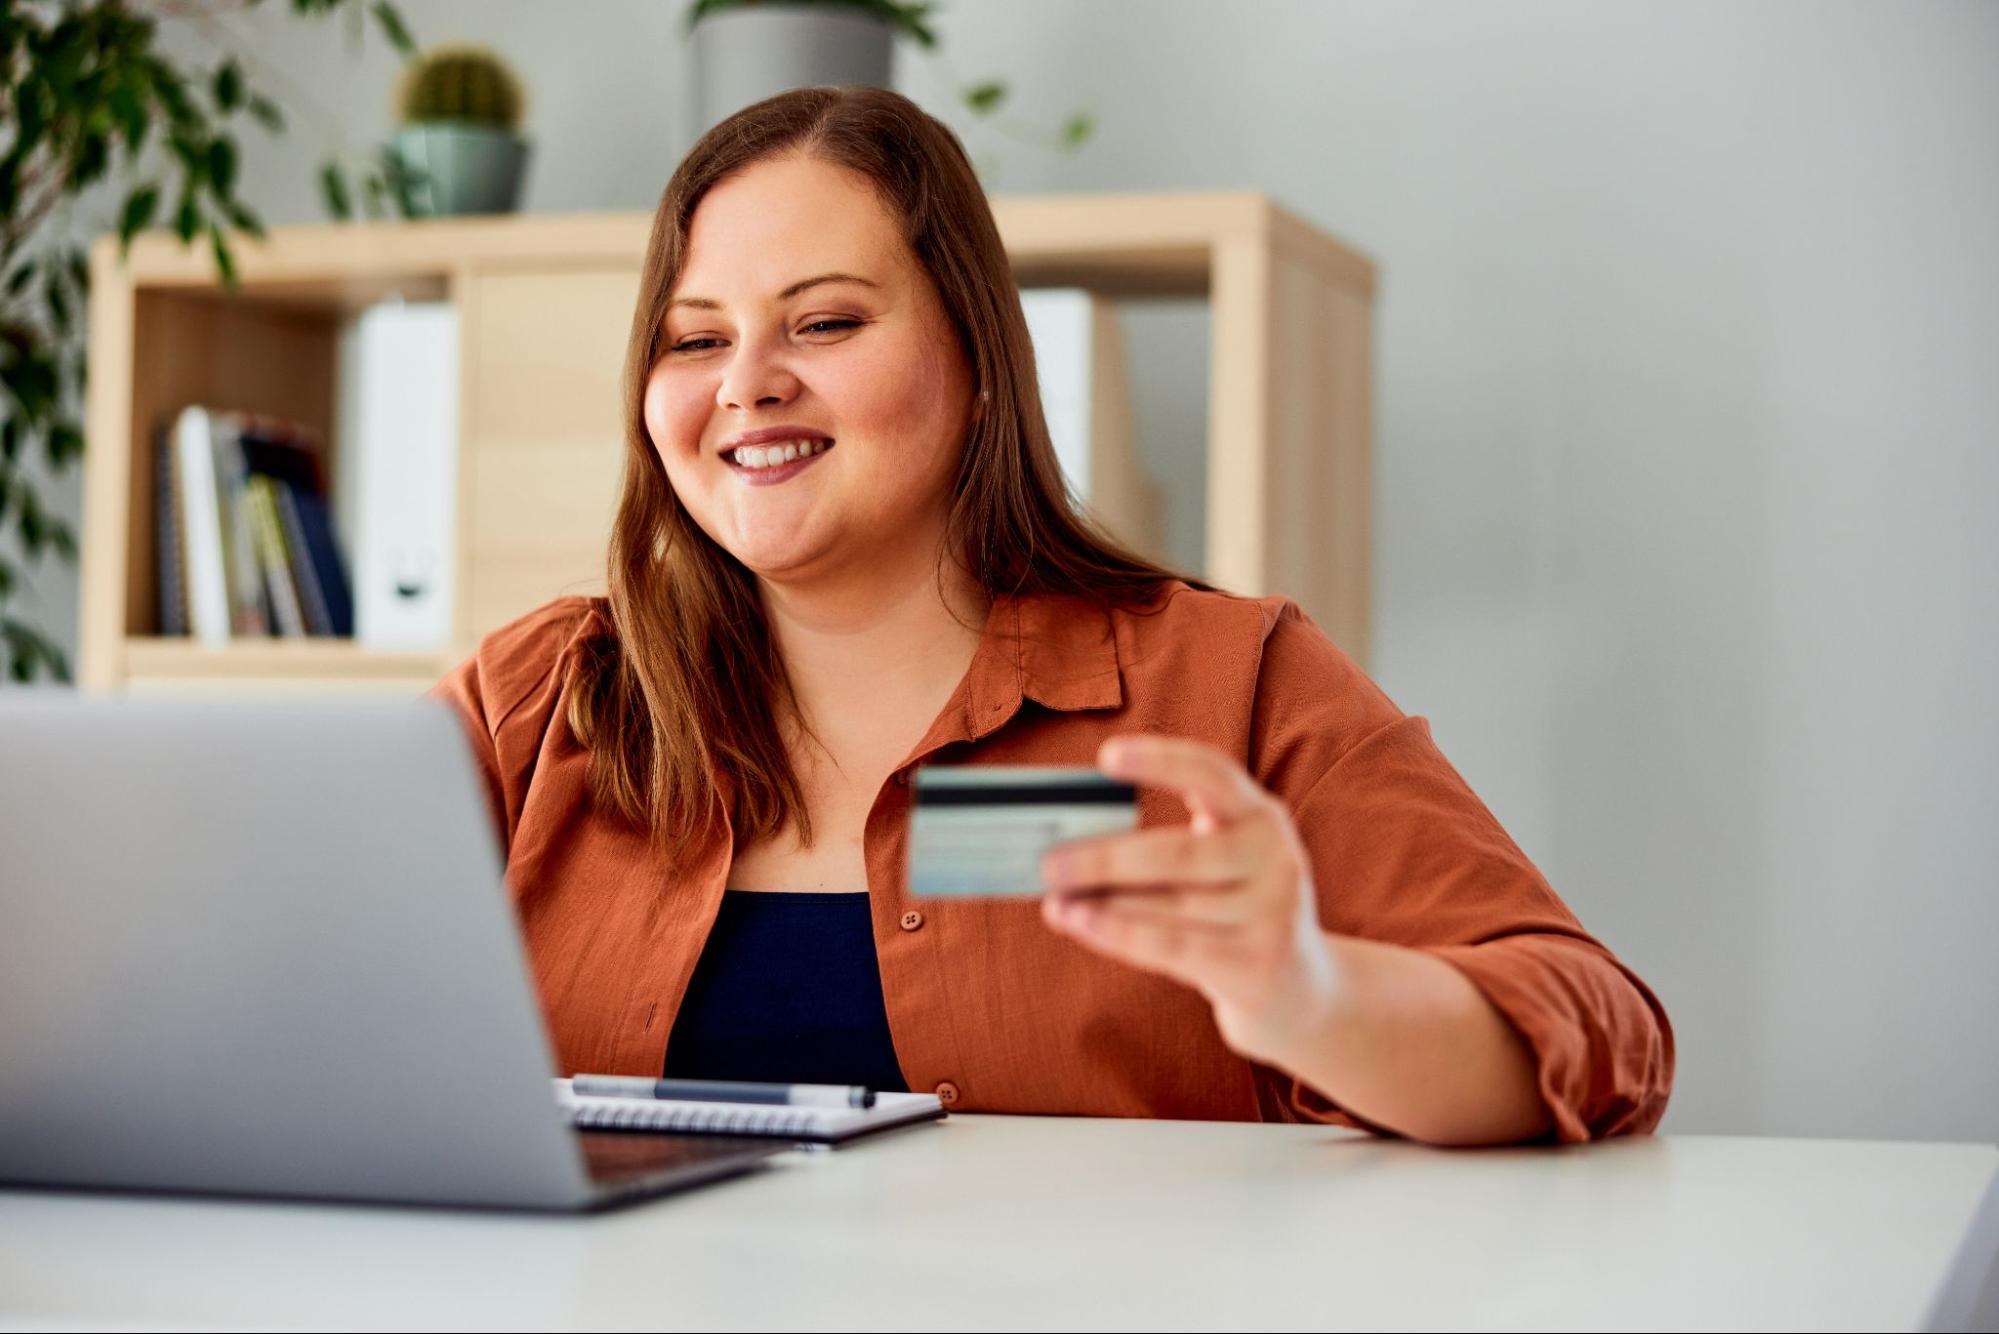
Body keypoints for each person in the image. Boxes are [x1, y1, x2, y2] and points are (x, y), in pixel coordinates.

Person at [432, 86, 1672, 1147]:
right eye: (694, 339)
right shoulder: (533, 704)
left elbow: (1593, 1027)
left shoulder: (1226, 687)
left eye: (824, 321)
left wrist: (1311, 990)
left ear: (977, 363)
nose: (747, 382)